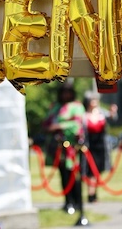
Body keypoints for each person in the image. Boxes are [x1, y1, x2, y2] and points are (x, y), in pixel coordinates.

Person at [43, 82, 85, 214]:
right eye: (63, 92)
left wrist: (60, 126)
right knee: (63, 175)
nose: (65, 94)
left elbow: (78, 125)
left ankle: (78, 202)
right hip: (58, 147)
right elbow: (47, 123)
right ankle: (68, 202)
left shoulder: (76, 106)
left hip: (72, 147)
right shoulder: (55, 106)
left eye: (68, 92)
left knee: (74, 175)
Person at [83, 90, 118, 202]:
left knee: (98, 170)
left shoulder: (102, 113)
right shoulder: (84, 115)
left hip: (101, 146)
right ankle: (91, 194)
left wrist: (113, 112)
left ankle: (94, 192)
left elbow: (112, 118)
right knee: (90, 171)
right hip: (89, 146)